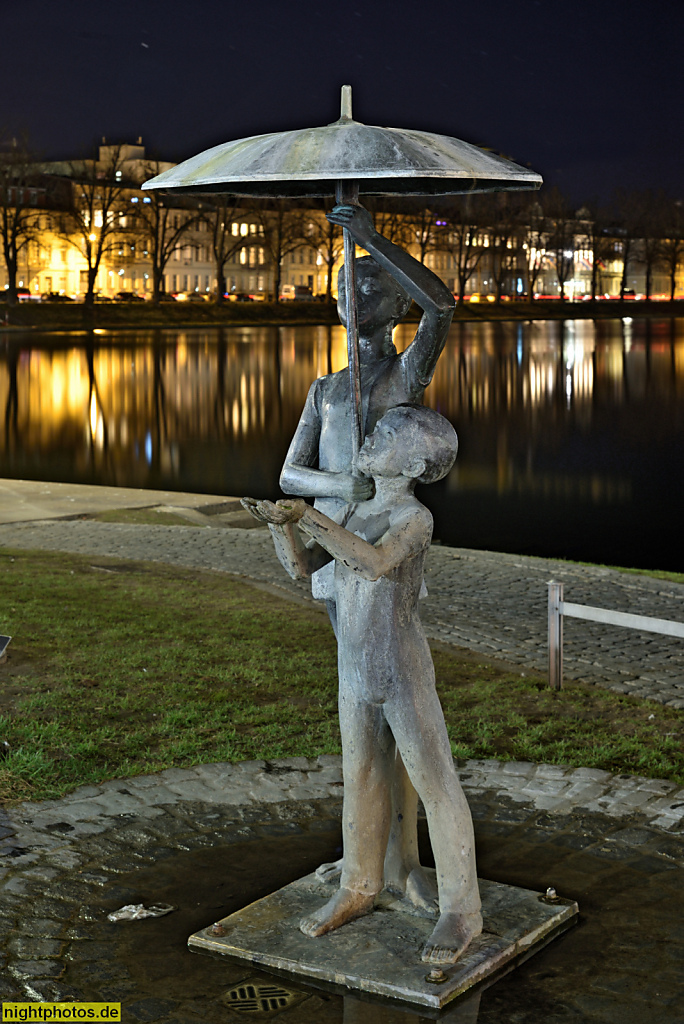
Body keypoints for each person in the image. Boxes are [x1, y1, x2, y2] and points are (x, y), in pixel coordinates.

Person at [242, 405, 482, 965]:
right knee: (361, 774)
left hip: (401, 668)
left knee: (435, 781)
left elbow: (373, 563)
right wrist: (282, 527)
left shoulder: (414, 519)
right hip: (354, 666)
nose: (372, 435)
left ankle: (461, 910)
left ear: (415, 465)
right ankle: (358, 884)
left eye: (388, 433)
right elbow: (304, 569)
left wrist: (308, 514)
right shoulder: (355, 508)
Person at [279, 202, 455, 909]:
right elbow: (291, 474)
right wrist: (337, 486)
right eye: (345, 287)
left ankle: (402, 862)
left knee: (392, 715)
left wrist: (372, 242)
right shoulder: (325, 390)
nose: (354, 296)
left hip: (381, 555)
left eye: (370, 287)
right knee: (359, 712)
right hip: (334, 561)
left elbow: (442, 306)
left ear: (392, 304)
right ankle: (368, 859)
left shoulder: (403, 380)